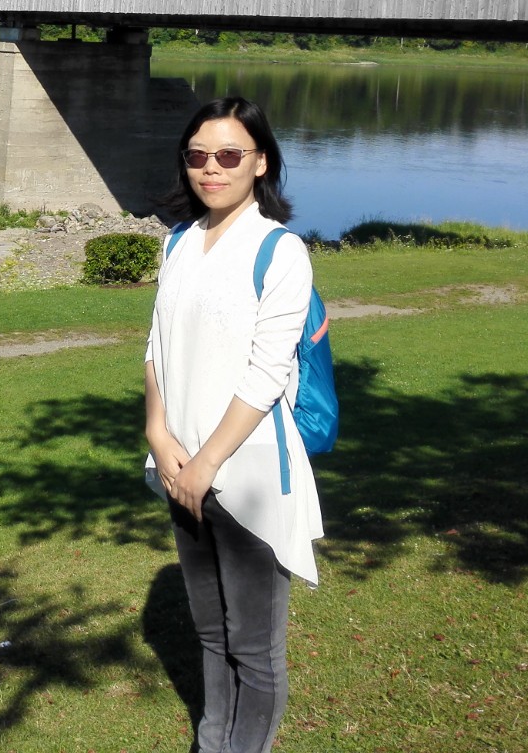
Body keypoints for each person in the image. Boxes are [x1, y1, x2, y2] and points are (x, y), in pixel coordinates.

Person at [144, 96, 324, 753]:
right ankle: (212, 740)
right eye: (197, 155)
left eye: (229, 155)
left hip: (244, 479)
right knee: (211, 635)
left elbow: (266, 373)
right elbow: (156, 349)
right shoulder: (179, 242)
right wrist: (160, 439)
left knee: (253, 647)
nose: (211, 169)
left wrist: (206, 465)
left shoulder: (278, 251)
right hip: (179, 468)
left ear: (260, 163)